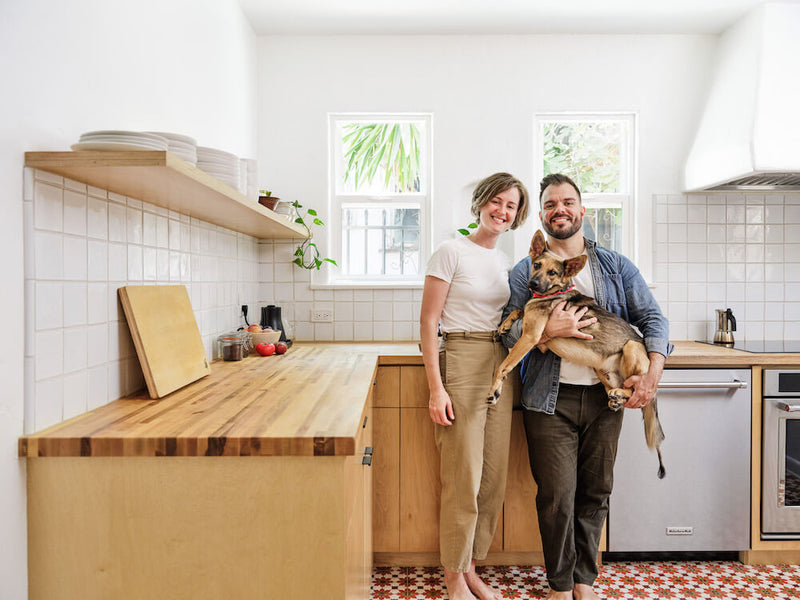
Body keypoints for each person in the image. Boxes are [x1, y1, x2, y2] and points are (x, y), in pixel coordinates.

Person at [420, 172, 594, 600]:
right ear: (481, 203)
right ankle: (454, 577)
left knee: (492, 478)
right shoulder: (450, 251)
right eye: (496, 201)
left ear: (518, 215)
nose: (502, 211)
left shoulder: (512, 263)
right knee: (463, 475)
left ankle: (472, 567)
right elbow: (428, 322)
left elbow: (527, 316)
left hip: (505, 360)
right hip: (462, 357)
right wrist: (436, 388)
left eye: (511, 206)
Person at [500, 173, 673, 600]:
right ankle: (559, 583)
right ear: (541, 215)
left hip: (604, 398)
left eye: (568, 202)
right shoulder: (527, 270)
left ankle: (584, 581)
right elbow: (505, 333)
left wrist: (651, 373)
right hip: (547, 398)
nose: (560, 210)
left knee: (595, 491)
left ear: (581, 210)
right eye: (550, 204)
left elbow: (654, 321)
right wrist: (545, 331)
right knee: (556, 495)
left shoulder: (615, 266)